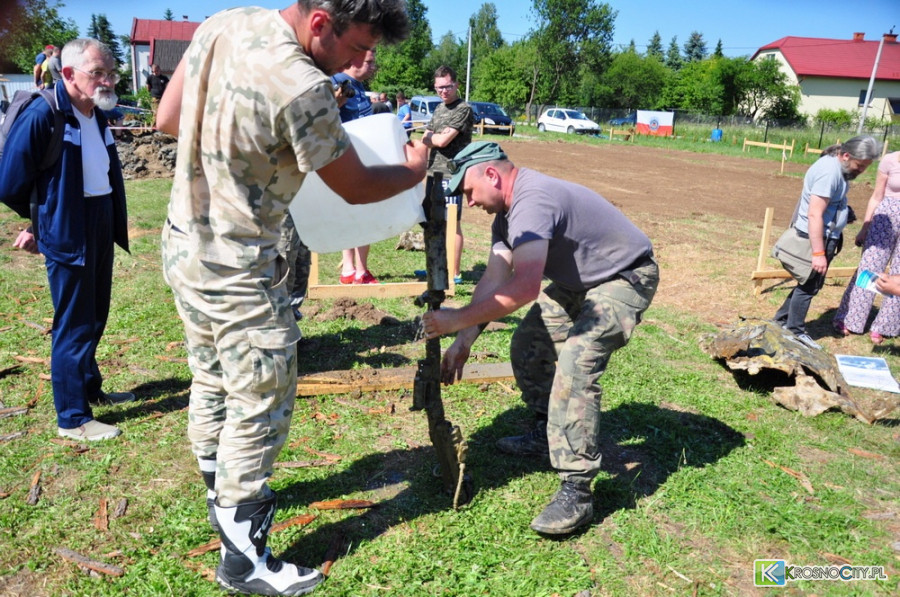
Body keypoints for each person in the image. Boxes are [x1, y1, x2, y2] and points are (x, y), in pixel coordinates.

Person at [155, 2, 424, 594]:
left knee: (212, 375)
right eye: (357, 49)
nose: (359, 63)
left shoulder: (223, 23)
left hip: (184, 244)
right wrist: (414, 169)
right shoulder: (304, 85)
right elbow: (356, 187)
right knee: (261, 398)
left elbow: (168, 117)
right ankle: (243, 560)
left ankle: (218, 495)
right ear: (321, 22)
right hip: (239, 265)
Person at [421, 141, 658, 535]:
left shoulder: (531, 201)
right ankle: (547, 430)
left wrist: (455, 318)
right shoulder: (506, 216)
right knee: (529, 345)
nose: (470, 202)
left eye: (469, 191)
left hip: (626, 276)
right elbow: (495, 278)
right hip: (580, 282)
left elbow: (525, 287)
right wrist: (463, 340)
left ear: (492, 175)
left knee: (577, 362)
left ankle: (577, 489)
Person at [0, 39, 134, 442]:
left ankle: (89, 389)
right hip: (68, 227)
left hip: (99, 217)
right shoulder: (45, 113)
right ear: (70, 73)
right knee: (74, 322)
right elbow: (9, 182)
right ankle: (73, 418)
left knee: (95, 314)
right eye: (98, 73)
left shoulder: (95, 112)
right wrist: (41, 223)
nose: (107, 81)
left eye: (111, 73)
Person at [773, 135, 881, 350]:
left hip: (824, 236)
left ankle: (780, 321)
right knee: (809, 287)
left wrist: (843, 212)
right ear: (846, 155)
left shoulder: (836, 167)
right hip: (816, 238)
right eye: (860, 165)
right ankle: (795, 331)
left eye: (866, 167)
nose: (862, 171)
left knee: (807, 283)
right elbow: (814, 214)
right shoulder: (829, 173)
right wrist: (818, 253)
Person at [833, 150, 899, 344]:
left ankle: (885, 326)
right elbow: (877, 196)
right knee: (869, 267)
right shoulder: (890, 160)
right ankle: (850, 318)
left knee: (899, 274)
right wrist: (865, 227)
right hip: (885, 218)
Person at [422, 65, 473, 284]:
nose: (443, 91)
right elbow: (425, 137)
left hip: (452, 175)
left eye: (447, 86)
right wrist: (435, 137)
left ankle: (454, 272)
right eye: (439, 88)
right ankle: (436, 267)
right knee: (433, 222)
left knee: (452, 223)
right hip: (433, 172)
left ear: (457, 85)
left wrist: (435, 137)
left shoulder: (463, 109)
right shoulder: (439, 109)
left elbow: (442, 141)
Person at [332, 49, 379, 284]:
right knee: (359, 213)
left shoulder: (358, 85)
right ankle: (357, 270)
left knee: (356, 213)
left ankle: (352, 269)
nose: (373, 67)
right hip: (347, 159)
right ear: (355, 59)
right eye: (369, 62)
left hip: (362, 157)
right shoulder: (337, 81)